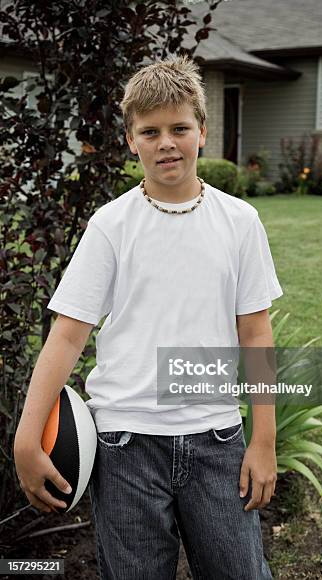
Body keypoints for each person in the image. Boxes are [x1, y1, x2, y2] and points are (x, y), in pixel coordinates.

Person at [14, 54, 283, 579]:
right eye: (150, 131)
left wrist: (264, 439)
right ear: (131, 140)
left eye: (179, 128)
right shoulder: (112, 225)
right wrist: (27, 437)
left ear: (202, 132)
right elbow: (67, 337)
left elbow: (255, 331)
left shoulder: (240, 222)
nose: (166, 142)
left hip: (217, 439)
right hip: (125, 445)